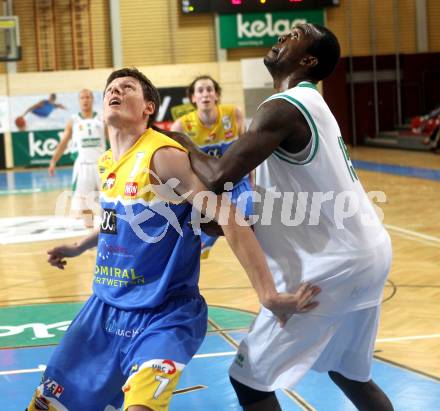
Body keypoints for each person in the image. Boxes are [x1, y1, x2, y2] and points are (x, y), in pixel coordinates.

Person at [26, 68, 320, 411]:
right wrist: (78, 247)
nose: (114, 92)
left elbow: (231, 219)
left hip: (163, 314)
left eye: (127, 87)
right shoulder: (108, 162)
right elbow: (116, 221)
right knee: (46, 406)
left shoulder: (162, 155)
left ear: (149, 107)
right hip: (103, 310)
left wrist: (268, 295)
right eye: (111, 89)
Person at [170, 24, 394, 411]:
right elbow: (288, 200)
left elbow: (220, 175)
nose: (284, 35)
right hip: (367, 256)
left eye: (296, 34)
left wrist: (184, 147)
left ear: (309, 60)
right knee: (348, 373)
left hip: (334, 264)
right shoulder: (311, 105)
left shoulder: (283, 107)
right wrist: (230, 224)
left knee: (248, 378)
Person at [171, 75, 253, 258]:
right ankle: (201, 244)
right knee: (194, 228)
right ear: (193, 98)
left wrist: (253, 182)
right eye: (200, 90)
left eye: (209, 89)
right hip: (209, 186)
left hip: (238, 182)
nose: (205, 94)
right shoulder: (181, 126)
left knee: (249, 222)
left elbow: (249, 152)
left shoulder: (233, 114)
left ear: (216, 95)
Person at [48, 89, 107, 227]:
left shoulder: (101, 119)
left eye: (88, 97)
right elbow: (63, 143)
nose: (85, 100)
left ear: (92, 99)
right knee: (84, 203)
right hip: (83, 166)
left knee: (108, 199)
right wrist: (53, 161)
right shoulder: (73, 120)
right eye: (82, 98)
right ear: (79, 101)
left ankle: (108, 230)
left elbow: (113, 140)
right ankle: (89, 229)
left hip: (102, 165)